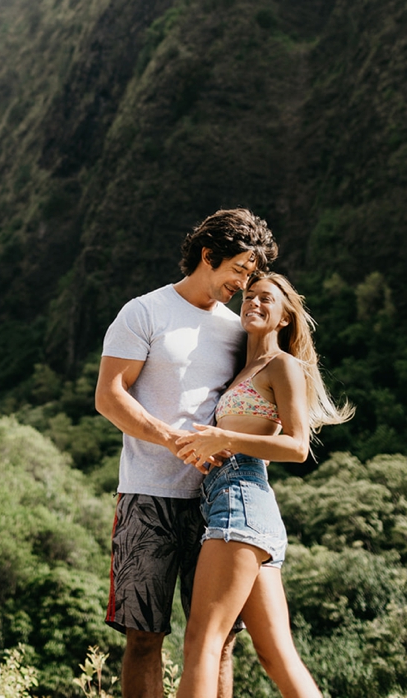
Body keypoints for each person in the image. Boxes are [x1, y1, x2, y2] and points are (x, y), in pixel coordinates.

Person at [94, 208, 279, 698]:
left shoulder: (238, 330)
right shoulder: (143, 312)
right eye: (239, 269)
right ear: (208, 255)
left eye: (251, 275)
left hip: (219, 505)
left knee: (219, 644)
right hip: (146, 496)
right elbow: (109, 396)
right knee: (142, 638)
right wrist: (173, 440)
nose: (243, 285)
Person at [171, 271, 353, 698]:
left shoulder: (282, 365)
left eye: (266, 299)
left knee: (203, 643)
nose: (252, 303)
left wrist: (225, 438)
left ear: (285, 317)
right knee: (276, 656)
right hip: (239, 508)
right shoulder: (243, 368)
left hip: (241, 502)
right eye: (248, 296)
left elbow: (297, 446)